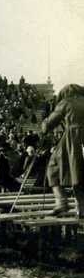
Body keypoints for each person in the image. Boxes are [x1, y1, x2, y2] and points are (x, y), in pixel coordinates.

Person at [40, 84, 84, 217]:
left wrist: (44, 125)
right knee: (80, 172)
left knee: (53, 167)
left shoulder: (66, 102)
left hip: (73, 137)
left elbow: (48, 125)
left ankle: (61, 202)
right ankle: (81, 207)